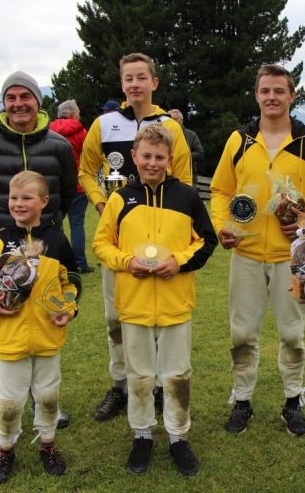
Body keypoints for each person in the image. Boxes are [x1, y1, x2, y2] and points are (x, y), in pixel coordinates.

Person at [0, 70, 77, 458]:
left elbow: (66, 194)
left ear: (38, 102)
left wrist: (46, 231)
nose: (19, 103)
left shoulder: (58, 145)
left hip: (46, 254)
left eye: (26, 96)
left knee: (44, 331)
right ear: (4, 103)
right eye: (12, 97)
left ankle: (45, 409)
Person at [210, 64, 305, 436]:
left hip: (292, 258)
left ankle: (293, 399)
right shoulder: (239, 140)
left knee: (292, 335)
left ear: (292, 96)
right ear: (257, 95)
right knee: (242, 333)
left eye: (279, 91)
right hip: (246, 254)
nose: (271, 97)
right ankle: (243, 399)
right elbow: (220, 191)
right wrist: (221, 226)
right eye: (265, 90)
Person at [92, 125, 217, 477]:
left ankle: (178, 437)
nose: (152, 163)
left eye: (159, 157)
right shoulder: (119, 199)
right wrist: (127, 262)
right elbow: (102, 245)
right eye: (146, 156)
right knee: (141, 374)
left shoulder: (187, 197)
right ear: (134, 156)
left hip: (176, 303)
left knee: (177, 374)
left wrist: (178, 261)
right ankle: (142, 434)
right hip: (133, 304)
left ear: (170, 159)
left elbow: (206, 241)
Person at [79, 52, 193, 423]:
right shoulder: (104, 124)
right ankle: (121, 384)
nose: (134, 84)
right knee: (118, 318)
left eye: (142, 77)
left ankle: (158, 387)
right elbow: (86, 172)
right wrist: (101, 203)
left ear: (154, 82)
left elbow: (186, 183)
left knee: (162, 318)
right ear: (122, 83)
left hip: (162, 240)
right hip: (120, 241)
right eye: (128, 78)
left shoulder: (170, 127)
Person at [0, 171, 79, 484]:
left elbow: (73, 281)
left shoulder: (56, 241)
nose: (18, 203)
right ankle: (5, 450)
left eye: (27, 197)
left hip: (47, 338)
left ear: (44, 201)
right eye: (14, 198)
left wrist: (67, 310)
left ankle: (48, 445)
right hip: (10, 340)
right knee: (10, 401)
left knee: (48, 396)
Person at [50, 100, 94, 274]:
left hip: (54, 186)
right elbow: (91, 156)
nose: (80, 115)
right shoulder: (82, 132)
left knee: (53, 225)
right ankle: (79, 263)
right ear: (73, 113)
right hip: (77, 185)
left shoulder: (48, 131)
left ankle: (55, 261)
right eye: (78, 112)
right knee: (77, 225)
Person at [168, 109, 203, 176]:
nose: (172, 122)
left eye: (175, 119)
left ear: (182, 120)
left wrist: (184, 156)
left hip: (188, 174)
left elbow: (200, 153)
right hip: (167, 174)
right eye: (169, 119)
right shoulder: (162, 134)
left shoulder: (191, 135)